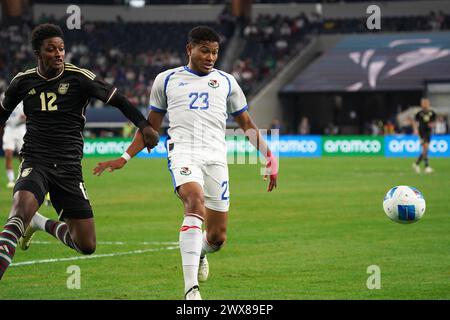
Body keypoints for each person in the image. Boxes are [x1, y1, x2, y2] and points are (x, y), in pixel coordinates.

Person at [93, 26, 278, 300]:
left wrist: (270, 157)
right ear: (189, 49)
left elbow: (247, 124)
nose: (210, 57)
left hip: (216, 158)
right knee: (194, 200)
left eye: (215, 52)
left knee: (217, 237)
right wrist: (125, 157)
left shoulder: (227, 82)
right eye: (205, 50)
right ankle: (191, 290)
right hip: (183, 152)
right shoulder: (166, 80)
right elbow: (150, 128)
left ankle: (201, 252)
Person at [0, 23, 159, 280]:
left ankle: (39, 222)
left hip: (69, 167)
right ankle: (26, 222)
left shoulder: (80, 77)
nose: (58, 54)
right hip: (36, 160)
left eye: (62, 48)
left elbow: (118, 100)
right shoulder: (22, 81)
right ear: (37, 53)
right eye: (51, 49)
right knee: (18, 213)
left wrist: (143, 125)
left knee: (86, 245)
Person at [1, 98, 26, 188]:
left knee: (23, 156)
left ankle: (24, 177)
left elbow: (29, 115)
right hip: (9, 129)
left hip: (21, 129)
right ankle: (11, 180)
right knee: (8, 154)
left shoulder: (23, 101)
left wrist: (25, 117)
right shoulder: (5, 100)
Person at [412, 98, 436, 174]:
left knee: (426, 149)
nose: (425, 104)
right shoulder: (419, 113)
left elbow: (434, 122)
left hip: (428, 132)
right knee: (425, 148)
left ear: (428, 104)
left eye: (426, 103)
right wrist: (415, 129)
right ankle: (426, 166)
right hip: (421, 132)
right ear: (421, 104)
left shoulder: (432, 113)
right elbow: (414, 122)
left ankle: (416, 164)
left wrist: (432, 125)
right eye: (423, 103)